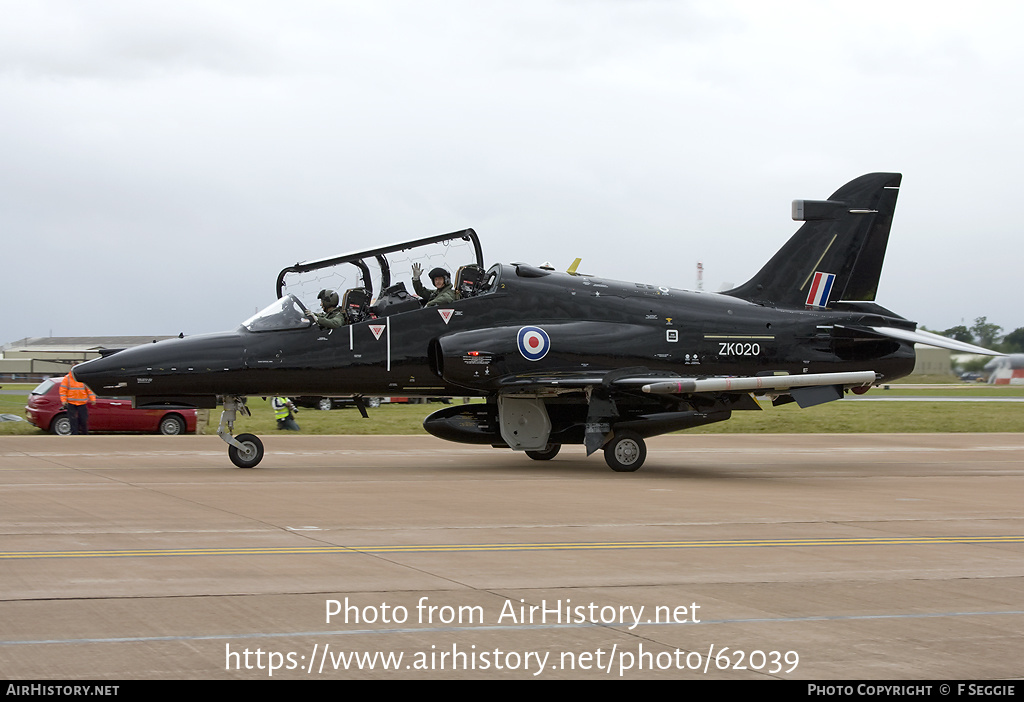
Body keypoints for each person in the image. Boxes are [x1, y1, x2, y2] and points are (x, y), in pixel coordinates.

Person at [59, 364, 97, 435]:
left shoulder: (83, 378)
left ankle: (85, 435)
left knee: (83, 421)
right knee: (73, 421)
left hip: (82, 404)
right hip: (71, 403)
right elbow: (63, 390)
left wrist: (93, 399)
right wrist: (64, 401)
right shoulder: (67, 378)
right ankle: (74, 436)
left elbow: (89, 390)